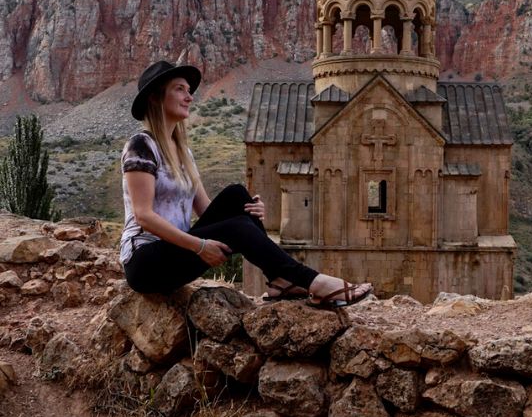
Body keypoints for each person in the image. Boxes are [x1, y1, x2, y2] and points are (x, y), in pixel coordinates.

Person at [119, 60, 373, 308]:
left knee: (237, 195)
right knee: (236, 226)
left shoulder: (182, 152)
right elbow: (144, 216)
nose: (189, 97)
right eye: (179, 89)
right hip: (146, 262)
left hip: (175, 251)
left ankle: (279, 279)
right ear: (155, 97)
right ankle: (314, 281)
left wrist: (249, 214)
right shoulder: (141, 145)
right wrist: (200, 246)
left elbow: (206, 211)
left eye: (189, 90)